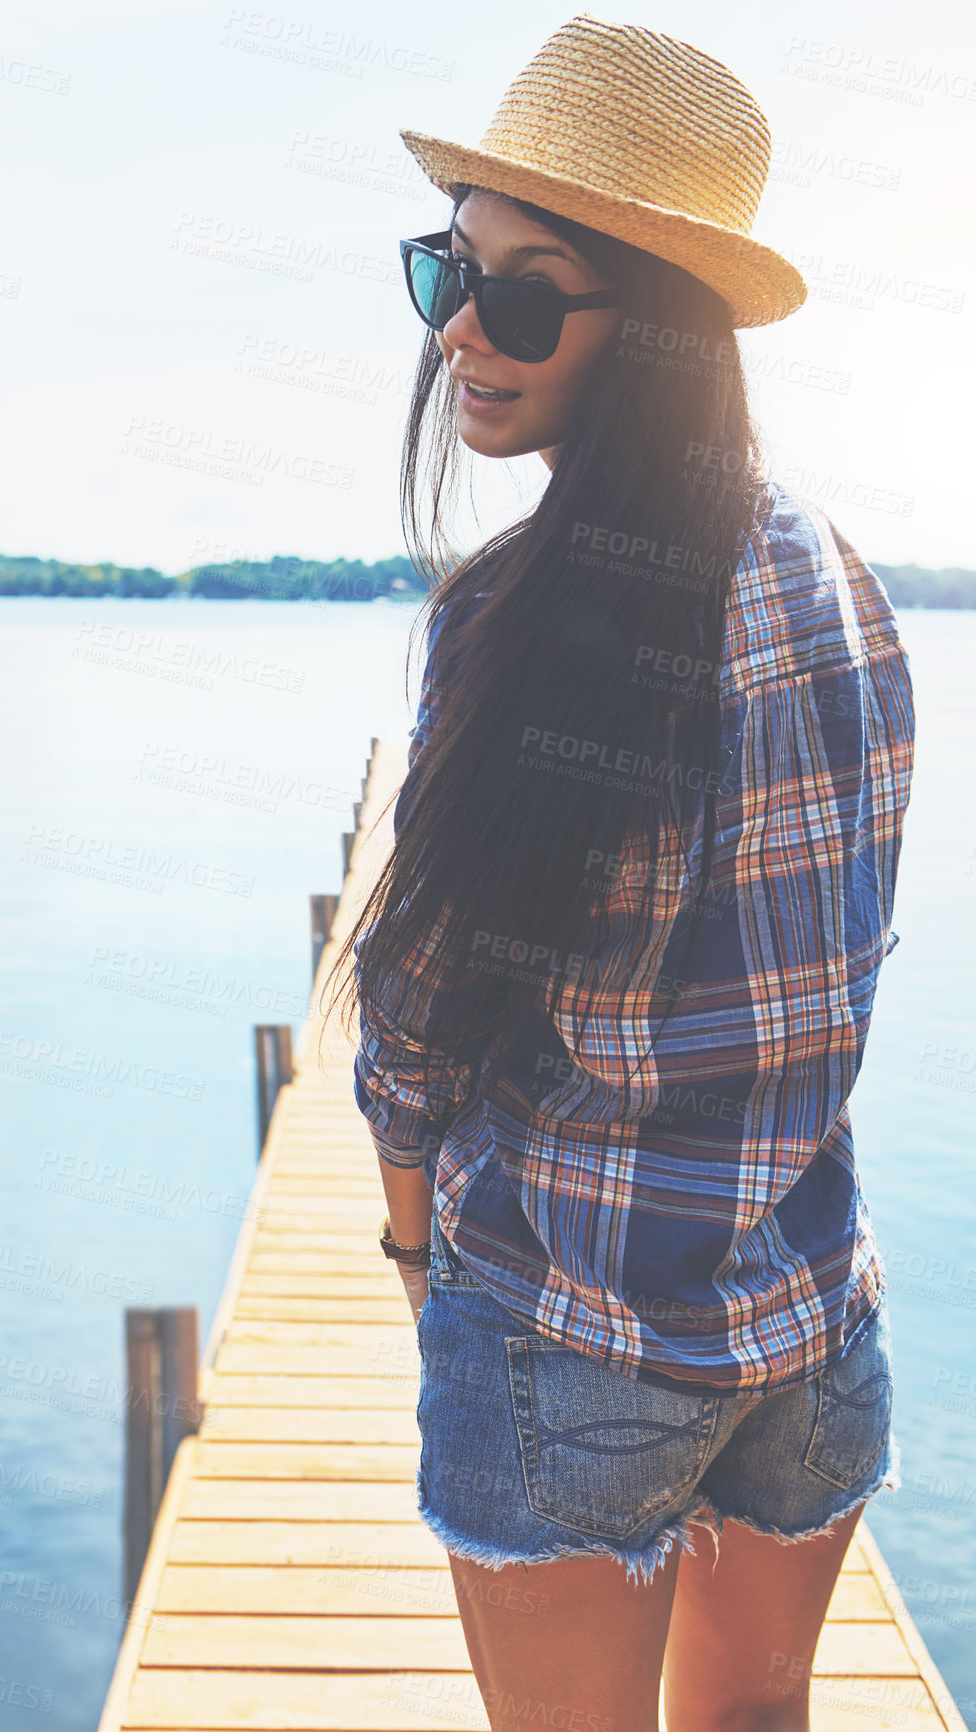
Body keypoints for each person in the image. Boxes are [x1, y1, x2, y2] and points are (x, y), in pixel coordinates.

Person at [324, 15, 915, 1731]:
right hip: (805, 1311)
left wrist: (416, 1256)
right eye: (450, 268)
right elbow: (838, 954)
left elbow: (414, 1033)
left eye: (521, 293)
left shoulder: (516, 618)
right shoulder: (842, 577)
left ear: (649, 330)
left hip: (570, 1319)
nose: (457, 334)